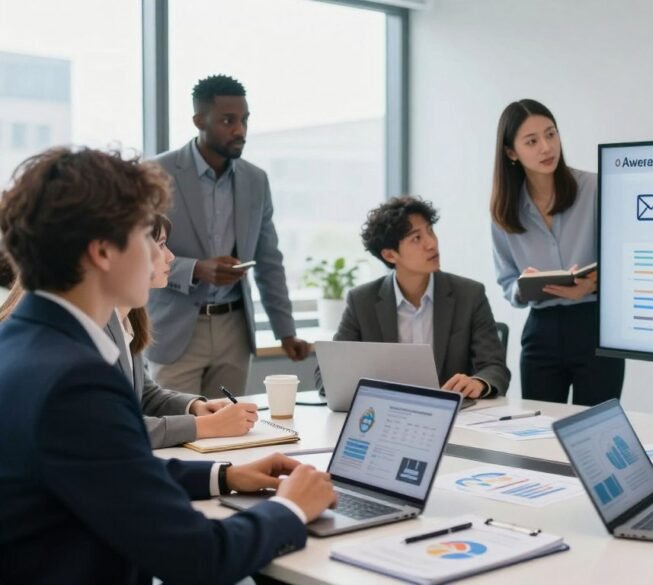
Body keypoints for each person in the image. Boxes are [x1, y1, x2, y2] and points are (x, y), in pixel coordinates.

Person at [0, 146, 336, 584]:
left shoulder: (19, 342)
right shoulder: (75, 382)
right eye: (148, 238)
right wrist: (290, 507)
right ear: (103, 251)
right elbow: (198, 559)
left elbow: (108, 471)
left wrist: (225, 475)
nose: (163, 255)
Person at [147, 74, 309, 399]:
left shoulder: (256, 180)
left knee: (229, 437)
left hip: (234, 328)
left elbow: (268, 260)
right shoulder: (156, 174)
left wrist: (286, 331)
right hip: (174, 327)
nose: (240, 130)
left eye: (244, 120)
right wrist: (196, 269)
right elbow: (138, 250)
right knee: (175, 432)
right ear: (198, 121)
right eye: (227, 120)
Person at [490, 99, 624, 405]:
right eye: (532, 141)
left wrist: (593, 284)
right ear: (511, 152)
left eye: (551, 134)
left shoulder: (595, 188)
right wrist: (525, 287)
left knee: (596, 429)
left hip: (595, 325)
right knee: (539, 431)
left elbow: (623, 261)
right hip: (541, 332)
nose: (546, 147)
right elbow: (507, 282)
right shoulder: (504, 211)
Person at [317, 196, 510, 399]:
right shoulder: (362, 301)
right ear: (390, 255)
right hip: (388, 416)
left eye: (430, 231)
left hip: (454, 416)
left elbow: (494, 367)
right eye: (416, 238)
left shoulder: (469, 294)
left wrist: (478, 383)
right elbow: (327, 375)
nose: (431, 243)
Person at [108, 215, 259, 448]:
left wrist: (196, 407)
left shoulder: (128, 318)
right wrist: (208, 426)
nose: (170, 257)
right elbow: (116, 429)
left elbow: (145, 395)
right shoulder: (97, 329)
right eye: (160, 245)